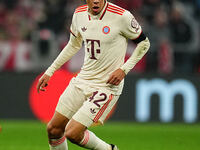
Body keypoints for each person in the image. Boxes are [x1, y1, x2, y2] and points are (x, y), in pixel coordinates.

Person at [36, 0, 150, 150]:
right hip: (83, 79)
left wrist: (124, 69)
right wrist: (50, 71)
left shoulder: (122, 16)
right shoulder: (79, 14)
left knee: (72, 133)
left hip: (106, 85)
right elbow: (73, 44)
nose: (96, 0)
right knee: (53, 129)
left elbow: (144, 43)